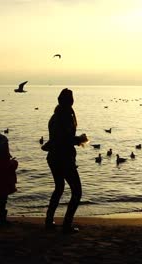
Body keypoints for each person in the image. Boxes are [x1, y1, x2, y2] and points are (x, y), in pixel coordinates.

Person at [42, 88, 87, 234]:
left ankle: (49, 221)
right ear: (71, 101)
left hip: (53, 158)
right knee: (77, 192)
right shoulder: (66, 116)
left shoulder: (54, 117)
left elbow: (55, 138)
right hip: (64, 158)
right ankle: (67, 224)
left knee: (59, 188)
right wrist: (79, 139)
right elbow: (65, 139)